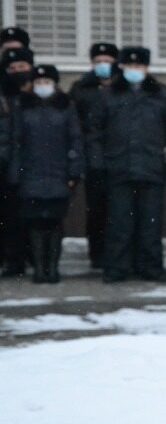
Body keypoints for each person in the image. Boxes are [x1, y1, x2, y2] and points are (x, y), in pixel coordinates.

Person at [87, 47, 166, 283]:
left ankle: (150, 267)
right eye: (130, 66)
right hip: (118, 168)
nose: (134, 71)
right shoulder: (108, 95)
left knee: (150, 223)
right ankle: (117, 269)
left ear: (147, 68)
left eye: (139, 66)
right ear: (121, 68)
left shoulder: (161, 94)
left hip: (152, 169)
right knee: (119, 223)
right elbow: (94, 133)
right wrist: (98, 163)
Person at [7, 64, 83, 283]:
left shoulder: (66, 107)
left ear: (55, 84)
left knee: (54, 222)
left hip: (58, 174)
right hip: (31, 174)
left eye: (47, 82)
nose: (42, 86)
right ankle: (40, 268)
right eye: (38, 82)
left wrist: (74, 172)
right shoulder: (22, 107)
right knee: (35, 223)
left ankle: (53, 267)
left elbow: (75, 140)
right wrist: (16, 173)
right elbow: (17, 142)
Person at [69, 42, 120, 268]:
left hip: (119, 157)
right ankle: (97, 254)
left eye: (107, 61)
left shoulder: (122, 87)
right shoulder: (81, 89)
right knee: (97, 209)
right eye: (98, 61)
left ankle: (117, 252)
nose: (103, 65)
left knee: (119, 209)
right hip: (93, 159)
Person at [1, 46, 37, 277]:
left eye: (22, 67)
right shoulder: (4, 97)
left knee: (37, 217)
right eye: (12, 68)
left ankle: (38, 259)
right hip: (6, 168)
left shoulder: (41, 94)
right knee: (10, 218)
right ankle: (13, 261)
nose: (17, 71)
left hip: (37, 166)